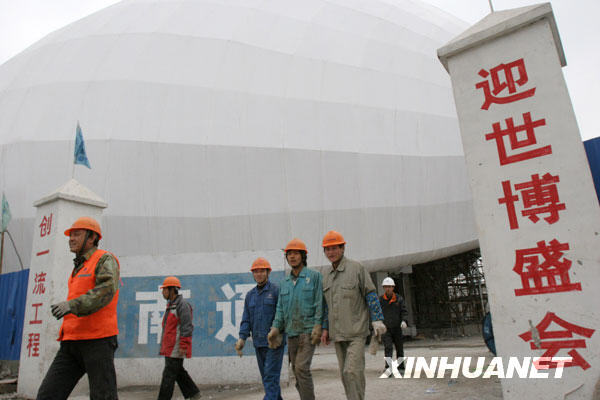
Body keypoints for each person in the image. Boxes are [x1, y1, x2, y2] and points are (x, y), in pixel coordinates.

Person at [37, 217, 120, 400]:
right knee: (48, 395)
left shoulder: (104, 259)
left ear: (92, 238)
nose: (71, 239)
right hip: (71, 342)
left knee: (103, 396)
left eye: (77, 234)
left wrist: (71, 305)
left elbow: (106, 290)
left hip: (98, 341)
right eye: (70, 235)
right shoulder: (79, 266)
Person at [320, 230, 386, 400]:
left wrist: (377, 319)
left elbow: (370, 293)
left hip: (356, 332)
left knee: (352, 371)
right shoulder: (325, 275)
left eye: (334, 248)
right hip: (337, 334)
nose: (331, 252)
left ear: (342, 248)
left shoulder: (357, 268)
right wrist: (325, 328)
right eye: (327, 249)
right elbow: (326, 306)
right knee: (345, 375)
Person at [269, 238, 323, 400]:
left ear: (303, 256)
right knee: (296, 371)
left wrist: (318, 325)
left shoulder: (314, 276)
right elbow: (280, 308)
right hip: (291, 333)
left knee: (301, 368)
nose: (292, 257)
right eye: (289, 254)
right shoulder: (284, 283)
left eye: (296, 253)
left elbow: (319, 302)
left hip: (308, 332)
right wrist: (275, 328)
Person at [236, 257, 285, 400]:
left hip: (274, 343)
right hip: (259, 343)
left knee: (270, 376)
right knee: (268, 378)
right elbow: (246, 319)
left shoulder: (276, 291)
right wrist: (242, 338)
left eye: (262, 271)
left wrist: (277, 331)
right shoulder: (250, 295)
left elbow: (282, 314)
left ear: (268, 272)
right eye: (256, 271)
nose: (259, 274)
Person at [157, 276, 201, 400]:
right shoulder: (171, 305)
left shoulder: (182, 305)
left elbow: (187, 327)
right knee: (178, 372)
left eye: (165, 289)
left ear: (172, 290)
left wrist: (183, 345)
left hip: (176, 347)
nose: (163, 292)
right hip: (170, 347)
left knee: (168, 375)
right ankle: (193, 394)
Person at [379, 277, 408, 373]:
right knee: (388, 348)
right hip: (385, 328)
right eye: (386, 287)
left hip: (397, 328)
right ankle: (388, 368)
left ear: (393, 287)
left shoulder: (399, 299)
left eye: (390, 287)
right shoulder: (381, 300)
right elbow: (377, 313)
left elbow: (404, 311)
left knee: (399, 348)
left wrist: (404, 321)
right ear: (383, 288)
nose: (388, 289)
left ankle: (401, 367)